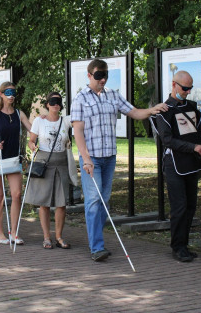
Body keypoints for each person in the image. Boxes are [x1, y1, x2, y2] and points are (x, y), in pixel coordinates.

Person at [70, 58, 168, 262]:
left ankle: (98, 241)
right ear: (89, 75)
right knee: (93, 201)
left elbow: (134, 112)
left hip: (110, 156)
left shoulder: (113, 96)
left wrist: (151, 110)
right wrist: (86, 158)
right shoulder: (80, 99)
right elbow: (77, 131)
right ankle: (96, 246)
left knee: (104, 200)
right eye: (98, 75)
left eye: (105, 75)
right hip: (92, 158)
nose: (103, 79)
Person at [155, 70, 201, 262]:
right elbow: (167, 140)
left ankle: (184, 245)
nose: (187, 92)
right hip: (174, 165)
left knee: (190, 206)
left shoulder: (193, 108)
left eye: (190, 88)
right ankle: (177, 247)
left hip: (192, 163)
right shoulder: (164, 111)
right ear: (174, 85)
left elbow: (199, 134)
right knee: (178, 207)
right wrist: (193, 147)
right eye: (184, 88)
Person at [0, 82, 32, 245]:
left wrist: (43, 124)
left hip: (13, 158)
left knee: (16, 194)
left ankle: (14, 231)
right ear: (1, 94)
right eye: (8, 92)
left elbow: (32, 129)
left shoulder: (19, 113)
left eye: (13, 92)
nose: (11, 95)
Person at [26, 92, 72, 249]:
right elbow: (31, 141)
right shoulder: (39, 121)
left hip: (62, 163)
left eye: (58, 102)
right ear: (47, 104)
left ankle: (59, 236)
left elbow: (82, 119)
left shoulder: (66, 120)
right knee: (44, 202)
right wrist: (32, 146)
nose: (55, 104)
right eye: (52, 102)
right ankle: (46, 237)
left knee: (61, 202)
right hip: (44, 162)